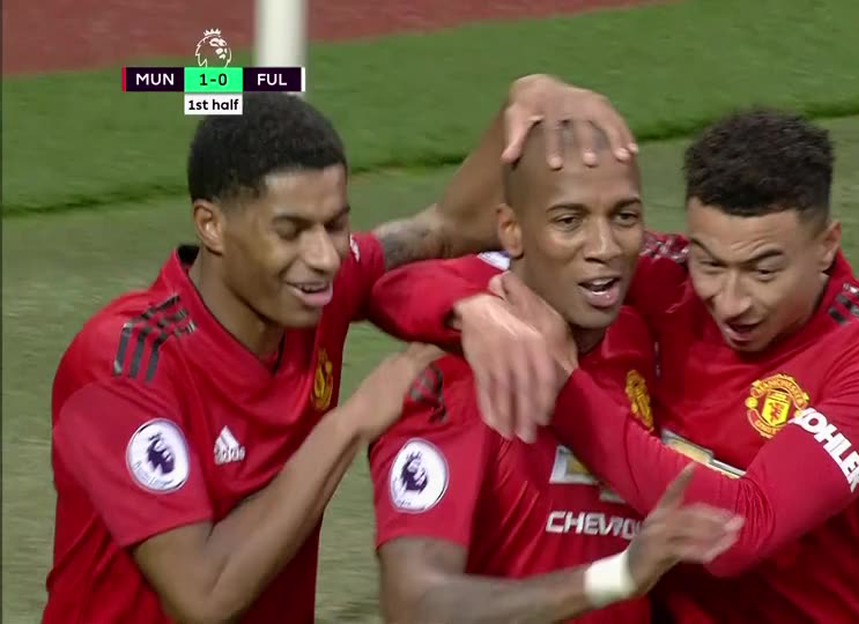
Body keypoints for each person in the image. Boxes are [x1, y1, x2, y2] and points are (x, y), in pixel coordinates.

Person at [43, 77, 638, 624]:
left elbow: (446, 228)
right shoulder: (123, 366)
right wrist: (351, 422)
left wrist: (527, 102)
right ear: (212, 225)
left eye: (335, 225)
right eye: (290, 231)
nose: (324, 257)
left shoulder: (311, 293)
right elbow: (204, 595)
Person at [370, 85, 859, 622]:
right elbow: (395, 279)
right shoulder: (658, 278)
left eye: (764, 271)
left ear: (826, 246)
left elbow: (745, 531)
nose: (730, 301)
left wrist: (564, 388)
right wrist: (469, 309)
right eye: (710, 262)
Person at [368, 124, 740, 624]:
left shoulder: (636, 337)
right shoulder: (458, 376)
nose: (604, 246)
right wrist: (618, 577)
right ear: (512, 230)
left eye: (625, 216)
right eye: (569, 220)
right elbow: (415, 606)